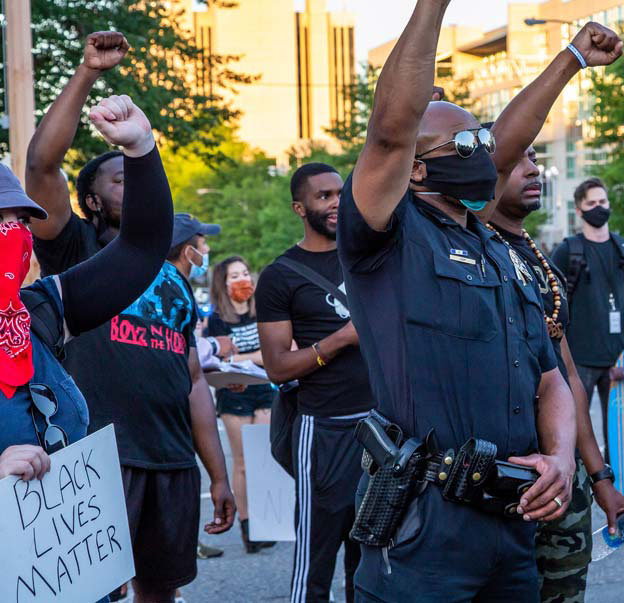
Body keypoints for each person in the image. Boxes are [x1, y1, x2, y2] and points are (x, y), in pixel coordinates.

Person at [337, 0, 624, 600]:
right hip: (422, 530)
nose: (482, 151)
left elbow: (551, 377)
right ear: (416, 167)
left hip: (512, 525)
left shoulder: (504, 256)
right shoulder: (388, 237)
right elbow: (390, 128)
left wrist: (558, 457)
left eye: (482, 140)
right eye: (464, 143)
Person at [25, 34, 236, 603]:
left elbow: (193, 380)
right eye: (119, 180)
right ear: (90, 201)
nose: (133, 185)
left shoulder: (172, 281)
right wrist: (87, 73)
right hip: (98, 460)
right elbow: (42, 164)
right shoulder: (74, 255)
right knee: (97, 593)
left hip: (169, 459)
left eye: (136, 175)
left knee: (159, 593)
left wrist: (216, 472)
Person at [0, 94, 171, 603]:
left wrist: (141, 148)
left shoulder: (35, 314)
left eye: (19, 222)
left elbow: (140, 249)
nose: (13, 235)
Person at [489, 145, 624, 603]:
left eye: (535, 158)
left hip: (564, 479)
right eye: (517, 158)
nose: (533, 169)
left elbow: (569, 377)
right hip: (502, 477)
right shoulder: (472, 252)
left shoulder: (542, 263)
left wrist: (599, 479)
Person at [256, 163, 374, 603]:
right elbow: (278, 367)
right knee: (316, 561)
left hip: (382, 428)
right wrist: (342, 338)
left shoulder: (367, 257)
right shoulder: (280, 275)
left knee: (373, 560)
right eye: (324, 196)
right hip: (324, 429)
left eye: (341, 193)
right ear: (299, 207)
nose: (336, 203)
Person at [551, 177, 624, 448]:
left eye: (603, 201)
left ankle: (617, 489)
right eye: (591, 203)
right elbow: (549, 303)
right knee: (575, 438)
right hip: (577, 362)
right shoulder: (567, 251)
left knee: (621, 441)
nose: (599, 207)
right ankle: (580, 489)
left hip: (620, 360)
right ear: (579, 210)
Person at [205, 255, 277, 554]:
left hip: (264, 391)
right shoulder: (217, 318)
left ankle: (269, 521)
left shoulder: (263, 310)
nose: (242, 280)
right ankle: (248, 527)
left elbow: (273, 349)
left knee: (265, 458)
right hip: (233, 394)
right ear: (223, 283)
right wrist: (253, 356)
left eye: (245, 273)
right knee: (243, 463)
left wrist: (239, 357)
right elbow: (220, 358)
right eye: (235, 276)